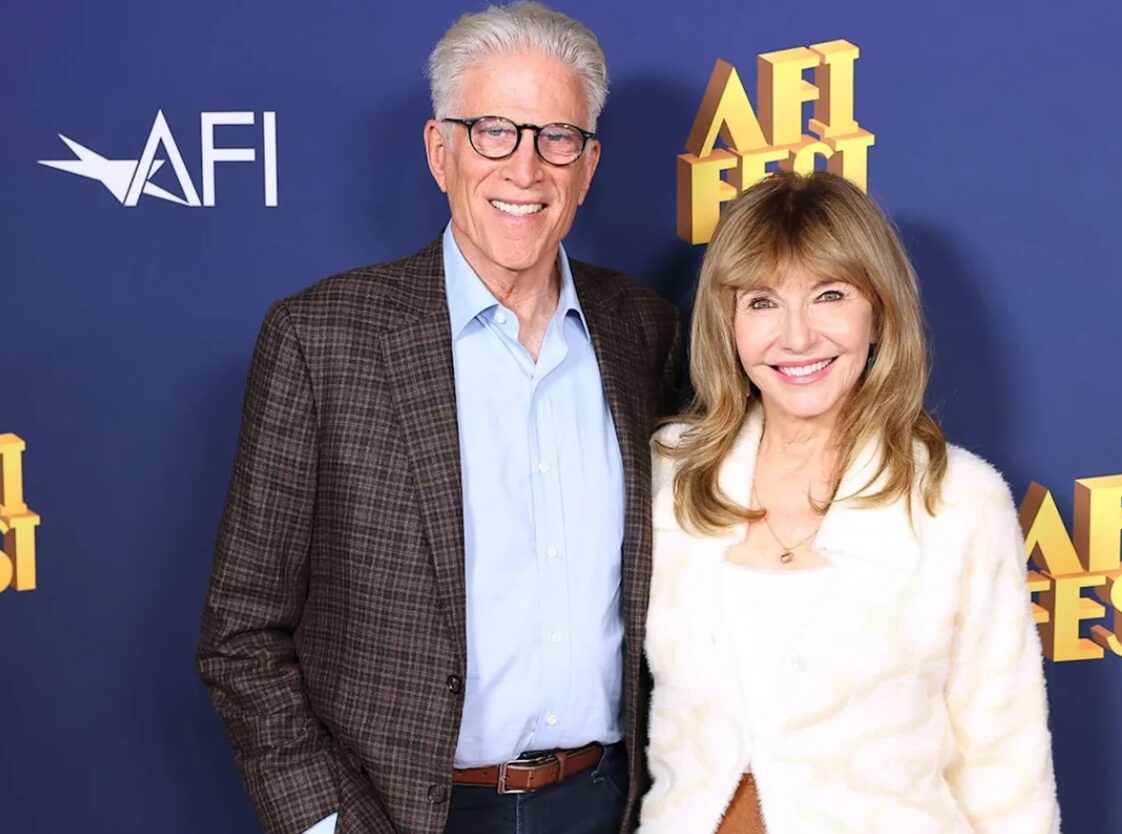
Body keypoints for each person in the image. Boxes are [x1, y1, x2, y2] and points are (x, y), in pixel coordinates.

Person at [196, 4, 680, 834]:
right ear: (440, 151)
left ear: (589, 164)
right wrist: (325, 823)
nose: (525, 169)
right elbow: (241, 633)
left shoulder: (645, 330)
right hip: (404, 813)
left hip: (609, 805)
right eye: (493, 131)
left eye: (556, 136)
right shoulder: (322, 341)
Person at [641, 171, 1060, 834]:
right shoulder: (670, 476)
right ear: (726, 323)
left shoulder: (959, 502)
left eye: (829, 295)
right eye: (761, 302)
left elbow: (1006, 770)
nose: (797, 336)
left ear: (878, 312)